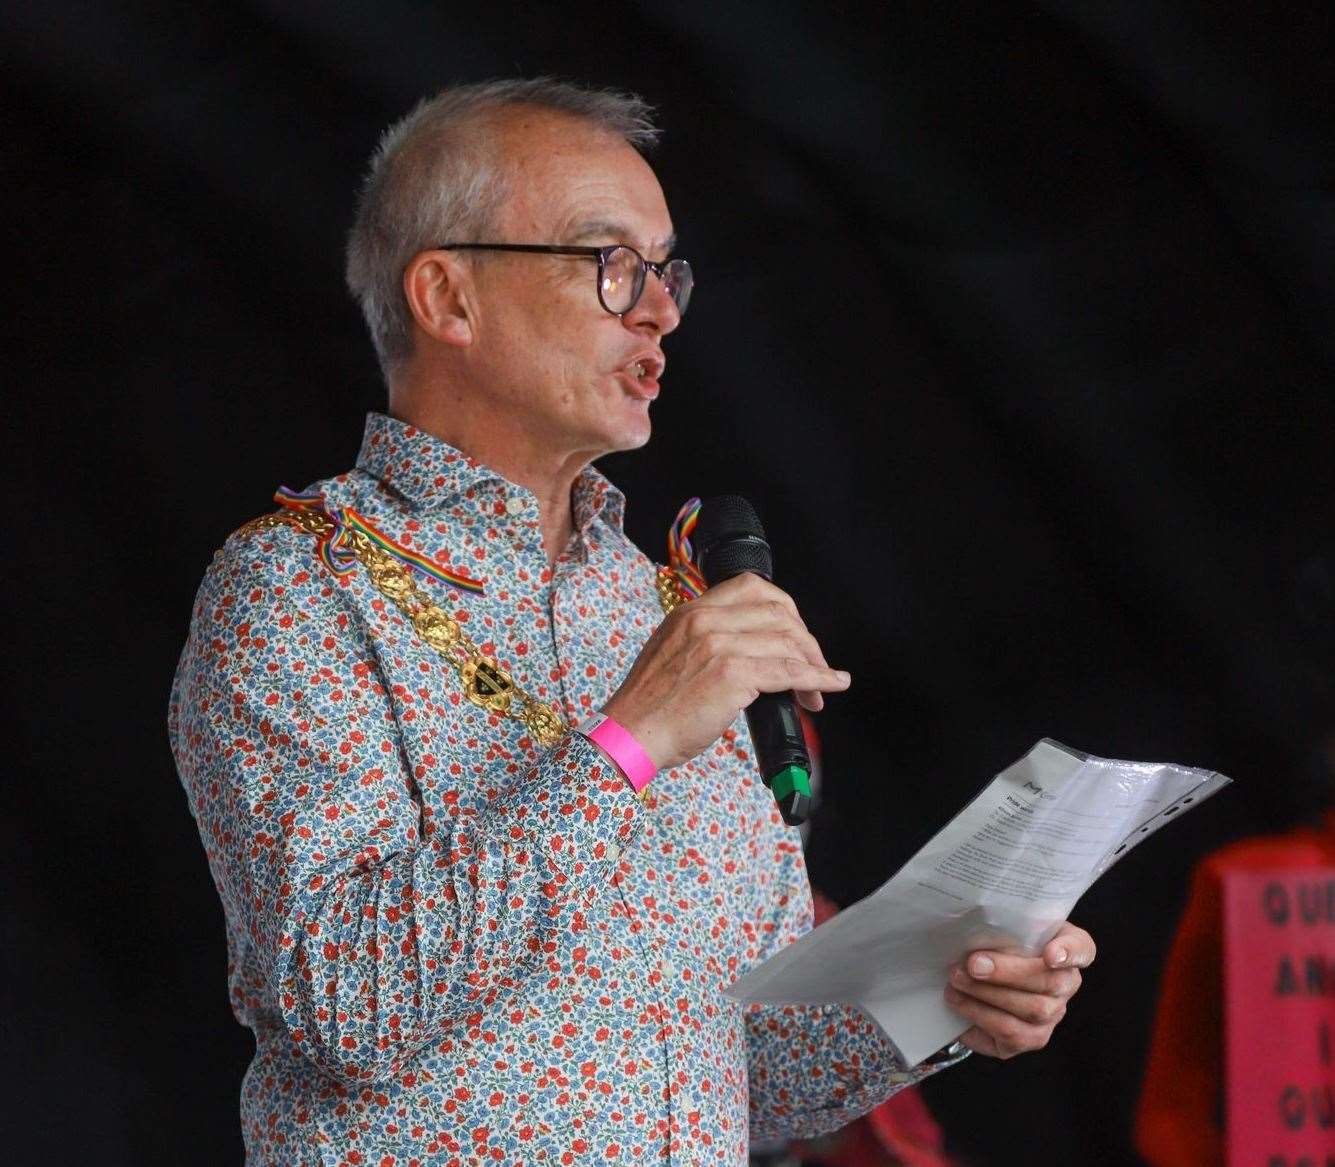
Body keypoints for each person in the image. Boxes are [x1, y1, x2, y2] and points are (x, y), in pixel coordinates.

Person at [169, 78, 1095, 1165]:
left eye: (668, 272)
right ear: (448, 299)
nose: (658, 309)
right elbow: (346, 1007)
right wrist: (631, 740)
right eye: (608, 264)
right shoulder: (296, 587)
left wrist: (941, 1002)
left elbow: (730, 1073)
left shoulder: (664, 609)